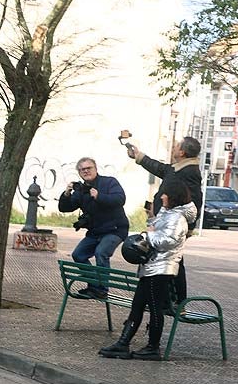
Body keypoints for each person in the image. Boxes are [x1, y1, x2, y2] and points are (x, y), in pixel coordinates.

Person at [99, 182, 197, 360]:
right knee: (137, 305)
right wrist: (151, 221)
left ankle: (153, 347)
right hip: (152, 265)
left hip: (161, 268)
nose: (161, 197)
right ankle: (123, 343)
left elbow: (169, 240)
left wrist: (148, 235)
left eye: (165, 194)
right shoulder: (168, 213)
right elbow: (160, 231)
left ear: (174, 196)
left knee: (154, 307)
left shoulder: (177, 217)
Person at [127, 136, 203, 303]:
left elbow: (196, 200)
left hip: (173, 225)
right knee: (165, 259)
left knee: (174, 261)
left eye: (176, 146)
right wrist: (139, 156)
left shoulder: (189, 172)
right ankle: (164, 299)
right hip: (163, 221)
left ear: (182, 152)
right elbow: (160, 168)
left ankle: (177, 301)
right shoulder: (178, 169)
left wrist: (190, 227)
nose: (174, 147)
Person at [58, 157, 128, 298]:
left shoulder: (109, 182)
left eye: (88, 168)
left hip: (115, 229)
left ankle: (102, 290)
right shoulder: (81, 190)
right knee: (78, 255)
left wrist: (99, 196)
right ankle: (94, 286)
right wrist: (66, 194)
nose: (86, 171)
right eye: (82, 169)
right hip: (95, 232)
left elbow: (120, 199)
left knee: (101, 253)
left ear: (96, 169)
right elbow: (65, 208)